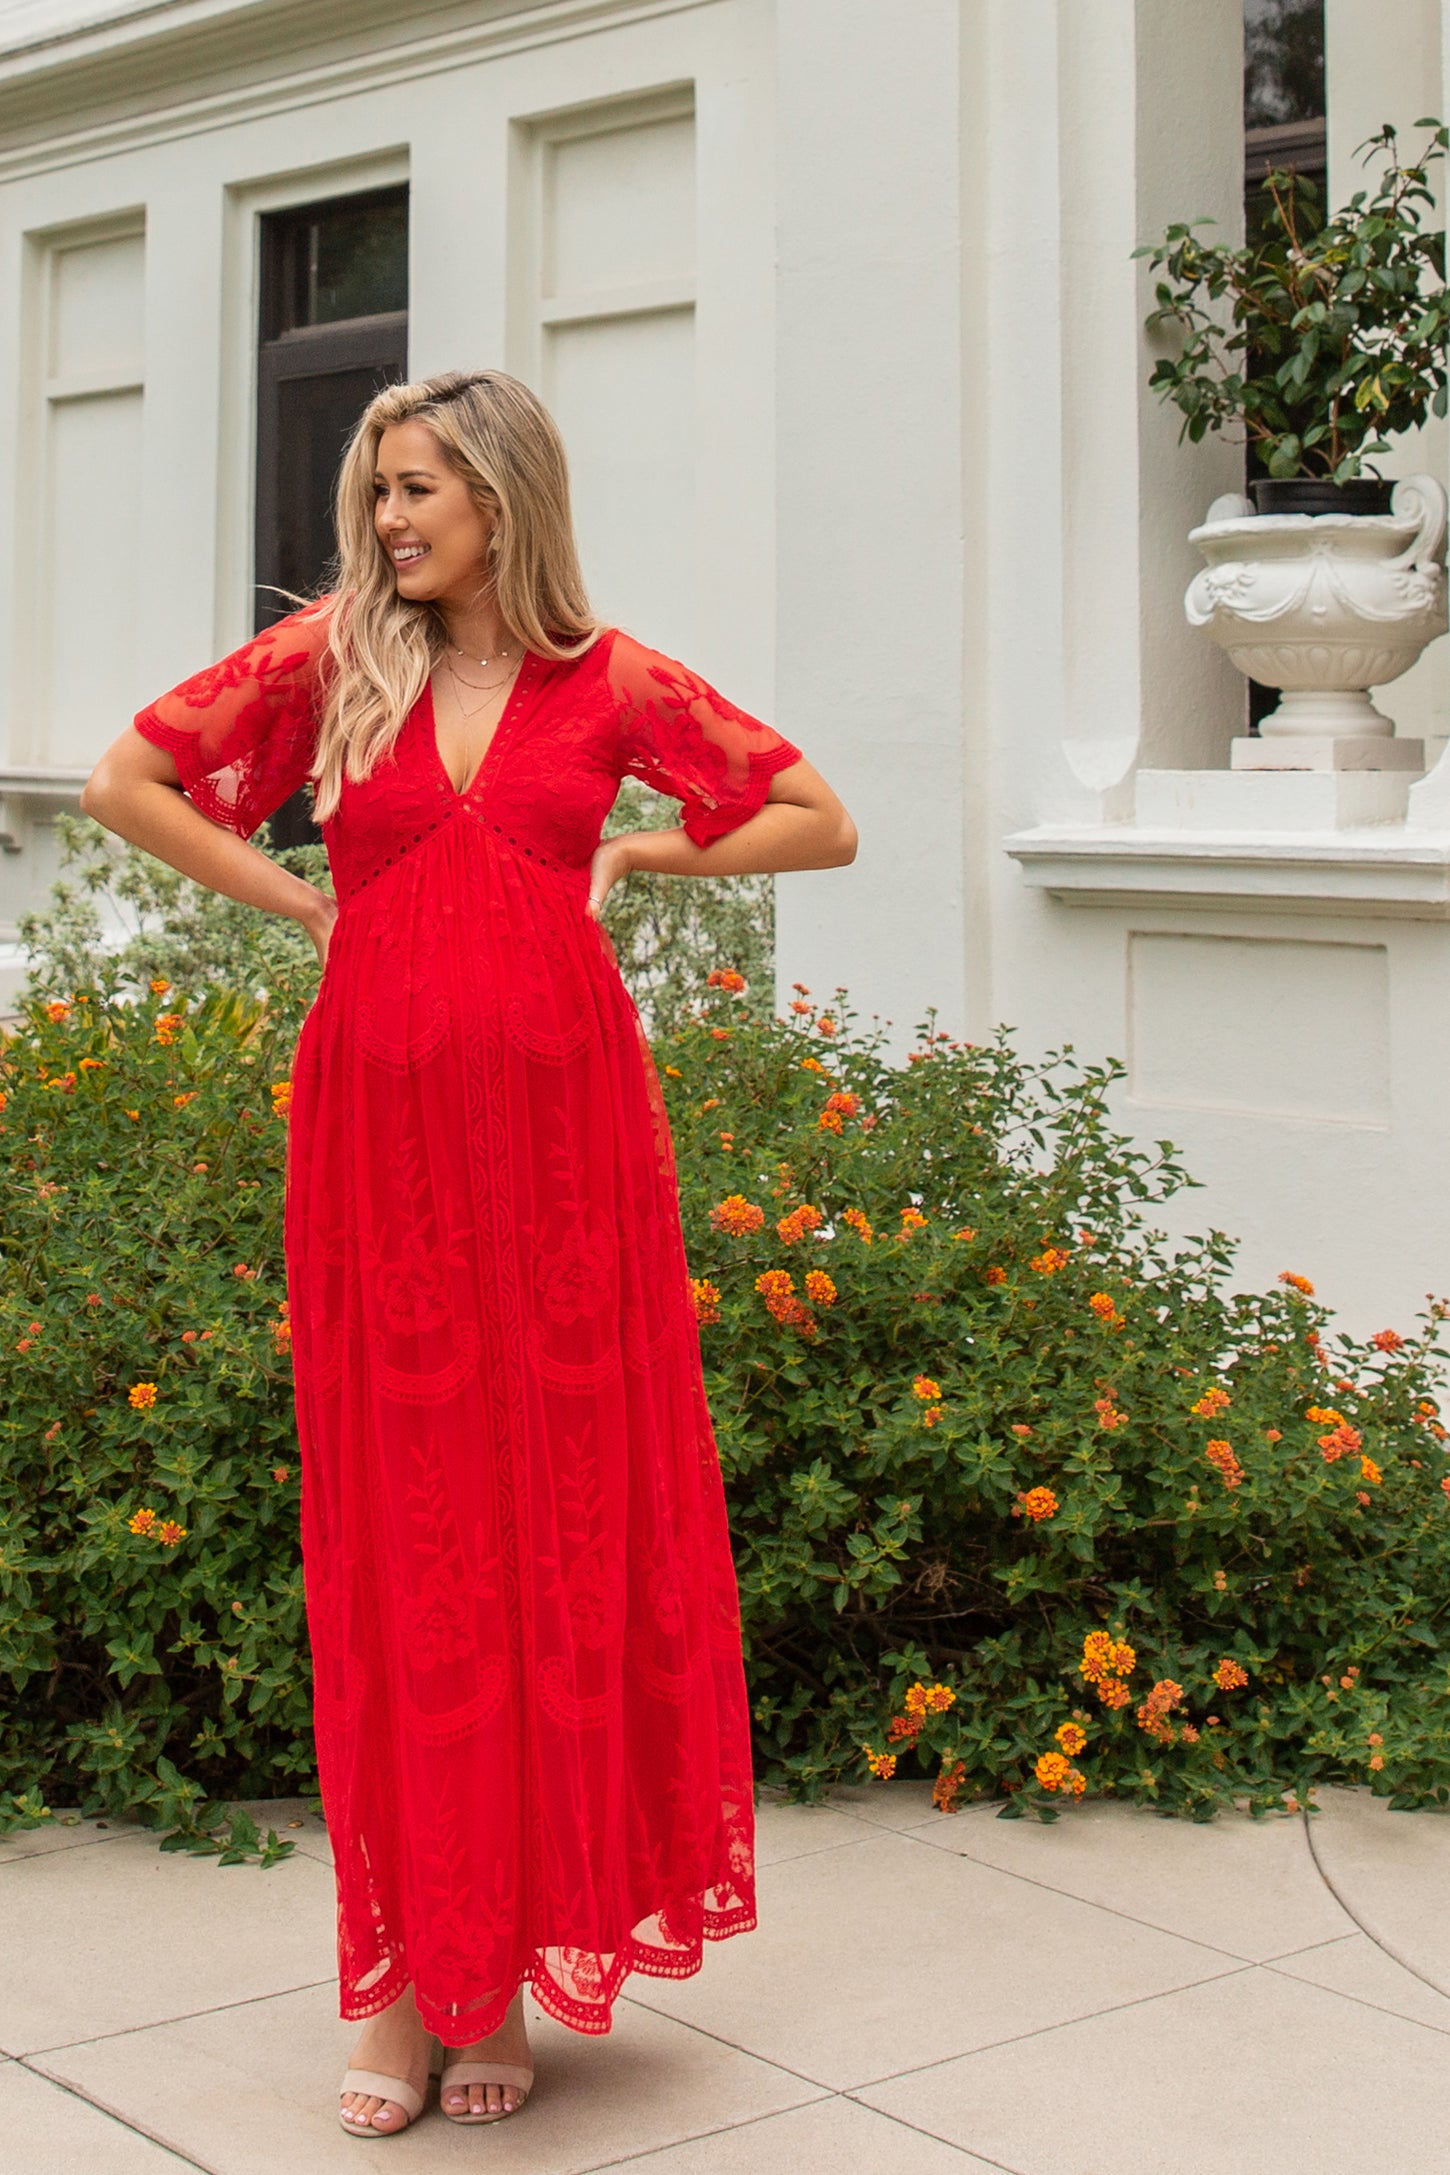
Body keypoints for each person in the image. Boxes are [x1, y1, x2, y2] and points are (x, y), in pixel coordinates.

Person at [81, 368, 857, 2137]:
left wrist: (635, 852)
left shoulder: (613, 681)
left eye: (416, 487)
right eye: (377, 490)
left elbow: (817, 815)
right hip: (383, 1146)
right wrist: (303, 901)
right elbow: (132, 780)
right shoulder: (332, 661)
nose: (385, 519)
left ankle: (500, 1966)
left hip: (568, 1154)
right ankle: (402, 1988)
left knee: (555, 1520)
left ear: (502, 498)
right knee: (408, 1529)